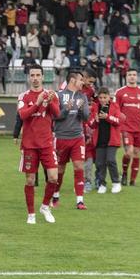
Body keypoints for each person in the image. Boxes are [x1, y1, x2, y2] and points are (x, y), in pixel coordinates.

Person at [17, 64, 60, 224]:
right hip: (29, 145)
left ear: (43, 77)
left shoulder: (51, 95)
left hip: (47, 144)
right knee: (30, 180)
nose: (35, 78)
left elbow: (57, 114)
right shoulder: (23, 96)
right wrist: (38, 102)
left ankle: (44, 206)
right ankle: (31, 214)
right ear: (29, 77)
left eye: (38, 75)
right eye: (32, 75)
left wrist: (50, 103)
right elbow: (22, 115)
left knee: (53, 177)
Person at [52, 71, 90, 210]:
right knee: (60, 169)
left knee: (79, 166)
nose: (83, 82)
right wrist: (66, 110)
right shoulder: (59, 95)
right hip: (61, 137)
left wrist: (80, 109)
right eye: (81, 79)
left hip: (77, 138)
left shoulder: (83, 97)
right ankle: (55, 196)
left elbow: (86, 117)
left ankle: (80, 201)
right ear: (73, 80)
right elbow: (55, 117)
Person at [115, 69, 140, 186]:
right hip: (126, 128)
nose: (132, 77)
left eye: (134, 75)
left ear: (137, 77)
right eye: (130, 75)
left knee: (137, 153)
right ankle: (125, 173)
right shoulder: (120, 92)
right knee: (129, 152)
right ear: (126, 77)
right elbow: (116, 110)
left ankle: (132, 180)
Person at [89, 87, 123, 194]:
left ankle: (116, 183)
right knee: (99, 163)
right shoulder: (95, 107)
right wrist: (95, 120)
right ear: (98, 98)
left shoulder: (115, 106)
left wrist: (107, 117)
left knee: (110, 160)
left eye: (105, 97)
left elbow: (118, 121)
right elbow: (91, 124)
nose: (103, 99)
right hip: (100, 140)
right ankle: (102, 184)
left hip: (112, 139)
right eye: (100, 97)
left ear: (109, 97)